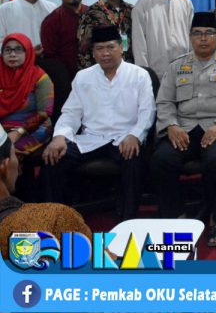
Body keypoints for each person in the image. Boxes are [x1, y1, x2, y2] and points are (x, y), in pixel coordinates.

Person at [152, 12, 216, 248]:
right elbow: (164, 101)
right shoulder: (177, 65)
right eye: (197, 34)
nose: (203, 38)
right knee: (161, 160)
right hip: (184, 129)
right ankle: (176, 217)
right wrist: (171, 125)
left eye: (209, 33)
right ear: (190, 37)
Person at [42, 26, 155, 220]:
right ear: (93, 53)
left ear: (121, 48)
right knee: (53, 157)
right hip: (91, 138)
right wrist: (59, 136)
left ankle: (129, 219)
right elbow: (71, 112)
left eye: (110, 47)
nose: (105, 53)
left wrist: (135, 135)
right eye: (99, 49)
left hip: (124, 138)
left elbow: (148, 111)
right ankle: (55, 217)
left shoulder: (139, 75)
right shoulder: (83, 77)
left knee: (134, 158)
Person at [0, 127, 92, 260]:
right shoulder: (56, 219)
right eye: (15, 155)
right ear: (4, 166)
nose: (19, 168)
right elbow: (98, 265)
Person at [131, 0, 194, 77]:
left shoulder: (185, 2)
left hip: (184, 71)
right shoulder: (142, 5)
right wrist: (145, 75)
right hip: (156, 74)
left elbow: (192, 37)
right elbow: (139, 46)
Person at [0, 33, 53, 158]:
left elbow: (44, 113)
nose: (12, 54)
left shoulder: (39, 77)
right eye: (8, 50)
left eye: (18, 49)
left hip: (33, 128)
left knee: (7, 152)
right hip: (2, 128)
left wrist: (18, 132)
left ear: (28, 52)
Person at [78, 0, 134, 69]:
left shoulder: (132, 10)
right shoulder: (90, 13)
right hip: (102, 71)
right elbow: (83, 50)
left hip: (130, 70)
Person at [40, 0, 88, 81]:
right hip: (65, 78)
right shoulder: (51, 21)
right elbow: (50, 58)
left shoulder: (95, 15)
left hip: (95, 76)